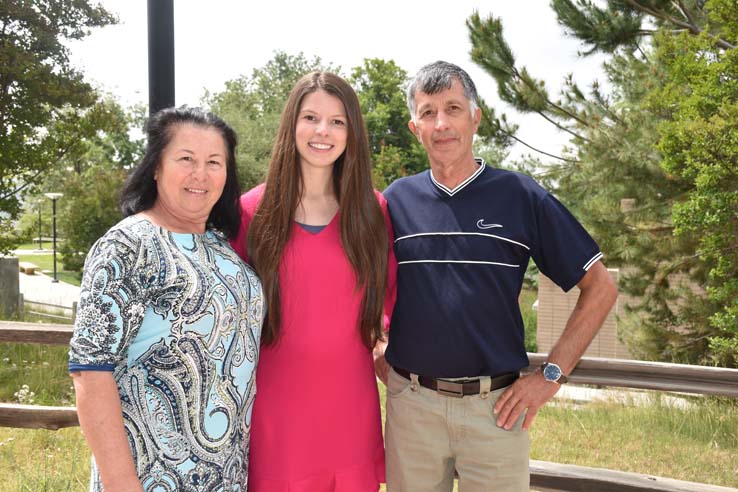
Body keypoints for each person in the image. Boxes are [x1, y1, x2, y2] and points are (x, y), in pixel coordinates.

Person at [380, 61, 619, 491]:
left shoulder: (520, 195)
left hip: (497, 411)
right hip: (410, 409)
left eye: (453, 108)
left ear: (476, 117)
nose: (441, 123)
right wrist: (376, 347)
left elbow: (600, 286)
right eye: (428, 112)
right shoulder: (394, 202)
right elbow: (357, 286)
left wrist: (551, 375)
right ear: (415, 127)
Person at [69, 106, 264, 492]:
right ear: (156, 167)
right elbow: (90, 372)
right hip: (146, 479)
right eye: (186, 159)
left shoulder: (223, 248)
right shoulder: (127, 247)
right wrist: (122, 485)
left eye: (214, 162)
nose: (201, 174)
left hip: (226, 478)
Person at [230, 71, 396, 491]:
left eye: (338, 121)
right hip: (275, 416)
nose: (323, 131)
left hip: (349, 412)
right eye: (311, 117)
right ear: (292, 124)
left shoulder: (373, 211)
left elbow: (389, 302)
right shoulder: (251, 211)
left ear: (351, 132)